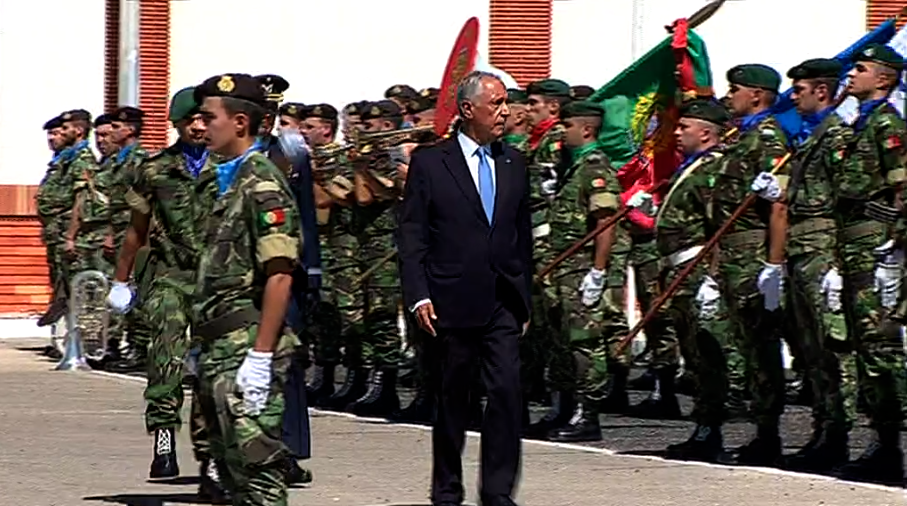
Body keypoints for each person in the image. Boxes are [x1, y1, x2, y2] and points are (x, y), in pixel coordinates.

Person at [397, 70, 532, 506]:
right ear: (468, 109)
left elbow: (521, 234)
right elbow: (413, 235)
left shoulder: (513, 161)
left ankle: (497, 491)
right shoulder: (432, 162)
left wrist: (525, 296)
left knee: (508, 394)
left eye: (506, 103)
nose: (505, 112)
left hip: (503, 301)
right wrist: (418, 294)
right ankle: (447, 490)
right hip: (449, 300)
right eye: (496, 104)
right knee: (454, 401)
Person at [106, 87, 228, 500]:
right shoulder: (154, 169)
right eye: (189, 120)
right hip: (171, 277)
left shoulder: (232, 166)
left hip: (220, 283)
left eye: (204, 120)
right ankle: (163, 438)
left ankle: (211, 458)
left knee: (215, 371)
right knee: (166, 356)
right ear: (175, 124)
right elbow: (136, 230)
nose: (197, 126)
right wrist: (121, 281)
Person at [192, 73, 301, 504]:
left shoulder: (262, 182)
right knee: (231, 478)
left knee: (259, 476)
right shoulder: (224, 178)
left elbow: (279, 273)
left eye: (208, 117)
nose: (200, 126)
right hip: (218, 342)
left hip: (245, 343)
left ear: (240, 123)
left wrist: (260, 354)